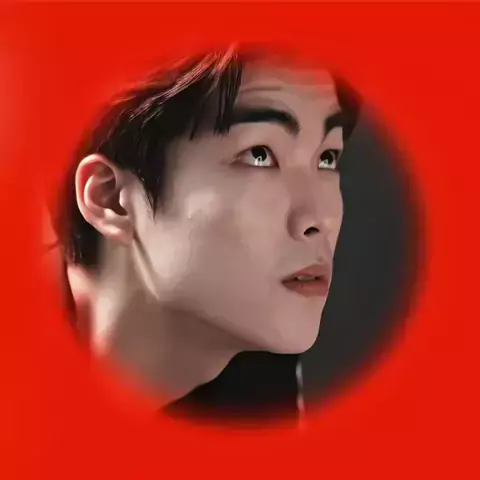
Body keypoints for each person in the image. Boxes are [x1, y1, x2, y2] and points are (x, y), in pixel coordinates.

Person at [50, 43, 362, 424]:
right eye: (260, 154)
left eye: (327, 158)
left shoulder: (264, 383)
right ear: (111, 199)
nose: (318, 219)